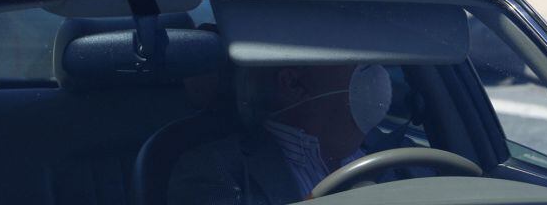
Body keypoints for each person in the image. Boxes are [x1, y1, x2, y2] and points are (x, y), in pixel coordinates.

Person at [168, 63, 394, 204]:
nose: (374, 70)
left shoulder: (403, 156)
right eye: (354, 60)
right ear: (293, 83)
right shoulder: (216, 171)